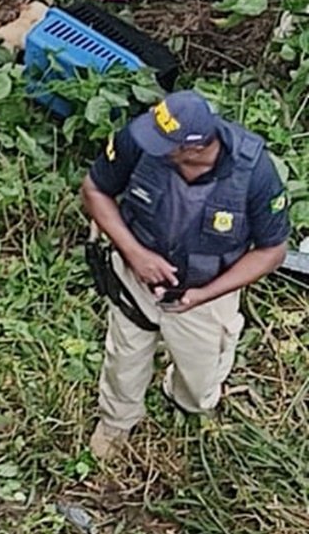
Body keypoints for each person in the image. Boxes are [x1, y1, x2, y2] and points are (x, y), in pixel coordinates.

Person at [81, 90, 290, 460]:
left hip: (206, 290)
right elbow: (95, 190)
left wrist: (204, 295)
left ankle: (184, 400)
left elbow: (272, 251)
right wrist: (135, 253)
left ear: (193, 148)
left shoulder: (255, 173)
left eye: (162, 142)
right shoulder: (142, 138)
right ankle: (117, 421)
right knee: (124, 357)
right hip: (136, 279)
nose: (147, 141)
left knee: (200, 380)